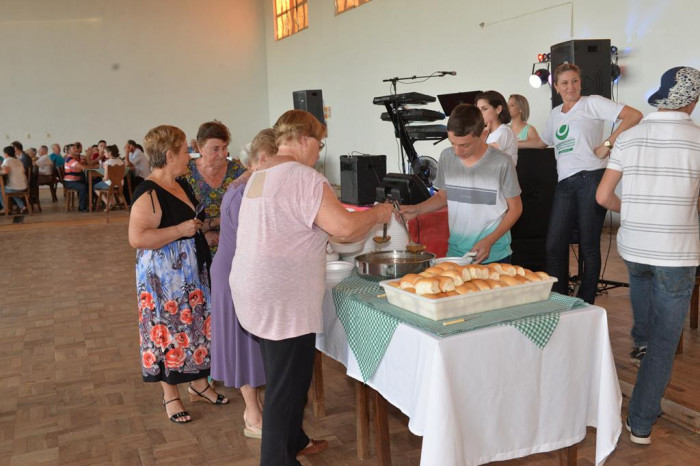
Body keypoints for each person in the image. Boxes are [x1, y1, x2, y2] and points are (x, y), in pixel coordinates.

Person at [230, 110, 393, 465]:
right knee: (285, 388)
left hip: (253, 289)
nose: (320, 151)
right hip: (281, 297)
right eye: (320, 143)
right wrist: (379, 214)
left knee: (288, 376)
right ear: (304, 140)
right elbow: (345, 229)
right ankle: (277, 459)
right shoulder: (304, 177)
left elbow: (302, 227)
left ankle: (295, 440)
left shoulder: (260, 174)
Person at [596, 66, 700, 445]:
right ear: (692, 100)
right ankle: (640, 421)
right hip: (676, 253)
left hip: (635, 248)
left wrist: (637, 210)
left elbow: (603, 197)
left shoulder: (629, 137)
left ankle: (641, 337)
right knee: (663, 343)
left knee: (646, 312)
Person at [128, 124, 229, 425]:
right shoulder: (148, 192)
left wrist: (208, 228)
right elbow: (137, 238)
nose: (191, 155)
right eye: (186, 151)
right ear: (170, 155)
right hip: (164, 281)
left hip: (190, 274)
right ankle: (170, 395)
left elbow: (192, 221)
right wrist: (180, 231)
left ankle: (198, 384)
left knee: (195, 328)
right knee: (167, 332)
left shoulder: (180, 182)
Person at [521, 63, 642, 303]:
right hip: (565, 183)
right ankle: (559, 300)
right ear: (556, 87)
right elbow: (542, 142)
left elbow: (634, 115)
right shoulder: (556, 113)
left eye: (574, 81)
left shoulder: (592, 103)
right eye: (565, 83)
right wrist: (508, 144)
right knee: (554, 245)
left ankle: (586, 303)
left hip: (591, 177)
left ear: (580, 83)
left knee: (588, 245)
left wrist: (607, 144)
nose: (571, 87)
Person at [210, 129, 277, 440]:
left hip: (240, 268)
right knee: (243, 344)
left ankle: (258, 408)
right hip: (233, 272)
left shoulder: (250, 183)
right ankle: (252, 414)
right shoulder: (243, 192)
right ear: (261, 159)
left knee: (250, 343)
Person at [399, 104, 522, 264]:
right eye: (452, 143)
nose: (457, 151)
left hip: (494, 254)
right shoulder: (447, 156)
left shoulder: (502, 162)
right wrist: (417, 209)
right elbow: (443, 197)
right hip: (457, 254)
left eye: (465, 145)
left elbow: (515, 208)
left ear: (483, 135)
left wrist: (490, 240)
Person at [183, 121, 245, 256]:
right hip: (196, 246)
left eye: (224, 147)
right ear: (200, 148)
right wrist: (202, 234)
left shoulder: (238, 170)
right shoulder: (186, 173)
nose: (222, 154)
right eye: (215, 149)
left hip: (233, 244)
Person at [475, 91, 518, 165]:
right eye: (478, 110)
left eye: (484, 109)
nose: (479, 113)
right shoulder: (488, 133)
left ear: (498, 109)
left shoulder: (504, 132)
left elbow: (484, 155)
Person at [94, 144, 125, 211]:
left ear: (110, 153)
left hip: (110, 184)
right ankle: (112, 203)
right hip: (120, 183)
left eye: (105, 152)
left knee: (95, 187)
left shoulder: (107, 163)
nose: (104, 154)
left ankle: (108, 203)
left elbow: (106, 178)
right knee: (106, 186)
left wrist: (103, 179)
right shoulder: (121, 161)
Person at [63, 143, 92, 212]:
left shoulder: (74, 159)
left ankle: (89, 204)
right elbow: (83, 167)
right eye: (74, 148)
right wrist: (88, 155)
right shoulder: (70, 160)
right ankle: (82, 207)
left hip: (76, 180)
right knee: (83, 187)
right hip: (70, 182)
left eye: (76, 148)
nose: (76, 149)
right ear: (69, 151)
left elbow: (83, 164)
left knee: (90, 184)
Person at [0, 145, 28, 214]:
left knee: (1, 190)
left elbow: (5, 171)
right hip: (23, 186)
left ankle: (5, 209)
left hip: (14, 187)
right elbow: (24, 170)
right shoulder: (18, 160)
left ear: (6, 153)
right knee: (11, 192)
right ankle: (23, 207)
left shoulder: (7, 160)